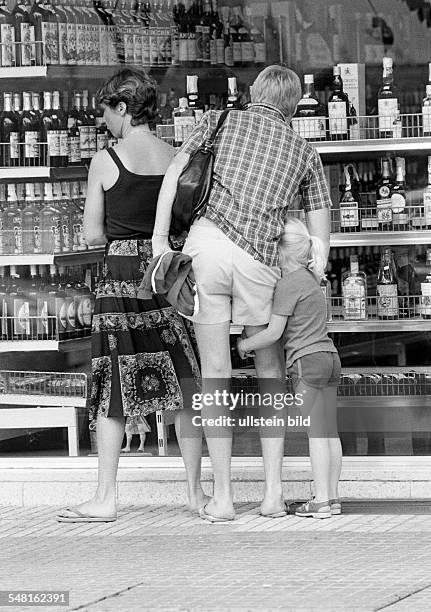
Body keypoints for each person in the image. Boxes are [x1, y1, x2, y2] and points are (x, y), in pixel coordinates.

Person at [152, 65, 332, 522]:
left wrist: (159, 241)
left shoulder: (217, 120)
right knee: (269, 367)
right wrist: (313, 274)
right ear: (292, 106)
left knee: (215, 370)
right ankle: (273, 495)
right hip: (260, 260)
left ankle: (225, 497)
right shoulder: (304, 149)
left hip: (207, 248)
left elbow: (174, 174)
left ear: (253, 93)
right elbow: (320, 235)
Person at [57, 68, 205, 523]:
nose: (104, 124)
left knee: (112, 385)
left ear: (122, 108)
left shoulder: (106, 161)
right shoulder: (177, 155)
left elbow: (92, 232)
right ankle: (197, 495)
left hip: (120, 277)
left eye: (106, 113)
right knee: (185, 380)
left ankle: (105, 498)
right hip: (168, 272)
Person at [237, 217, 342, 519]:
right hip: (329, 357)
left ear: (281, 251)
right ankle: (332, 497)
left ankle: (320, 501)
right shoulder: (312, 279)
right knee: (330, 431)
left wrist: (245, 345)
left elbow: (273, 332)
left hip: (306, 362)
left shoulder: (286, 284)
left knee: (316, 433)